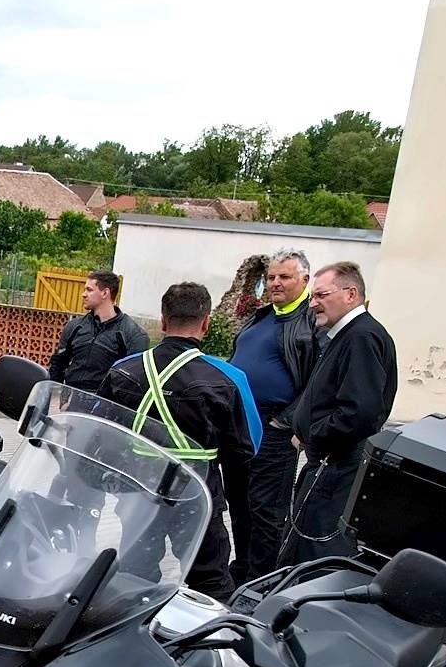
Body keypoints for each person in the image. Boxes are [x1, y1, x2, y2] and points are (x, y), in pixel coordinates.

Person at [99, 282, 260, 601]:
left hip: (139, 496)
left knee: (135, 576)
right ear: (206, 323)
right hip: (196, 497)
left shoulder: (122, 371)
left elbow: (102, 434)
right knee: (211, 580)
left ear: (162, 320)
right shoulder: (229, 379)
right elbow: (246, 449)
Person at [280, 261, 397, 564]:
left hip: (338, 468)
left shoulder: (361, 336)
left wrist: (312, 437)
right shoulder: (346, 335)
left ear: (350, 294)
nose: (313, 304)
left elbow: (359, 412)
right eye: (312, 297)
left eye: (321, 295)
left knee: (316, 557)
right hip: (329, 464)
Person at [226, 247, 321, 584]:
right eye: (271, 277)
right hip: (240, 424)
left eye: (285, 277)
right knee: (239, 504)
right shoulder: (263, 315)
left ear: (305, 279)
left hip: (273, 426)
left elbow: (318, 380)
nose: (275, 283)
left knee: (266, 509)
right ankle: (243, 571)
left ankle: (262, 581)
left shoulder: (311, 320)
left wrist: (286, 420)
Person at [49, 270, 149, 393]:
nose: (83, 294)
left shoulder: (132, 334)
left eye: (89, 290)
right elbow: (57, 364)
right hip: (72, 399)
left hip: (106, 404)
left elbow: (133, 379)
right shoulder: (74, 326)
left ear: (105, 293)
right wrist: (58, 396)